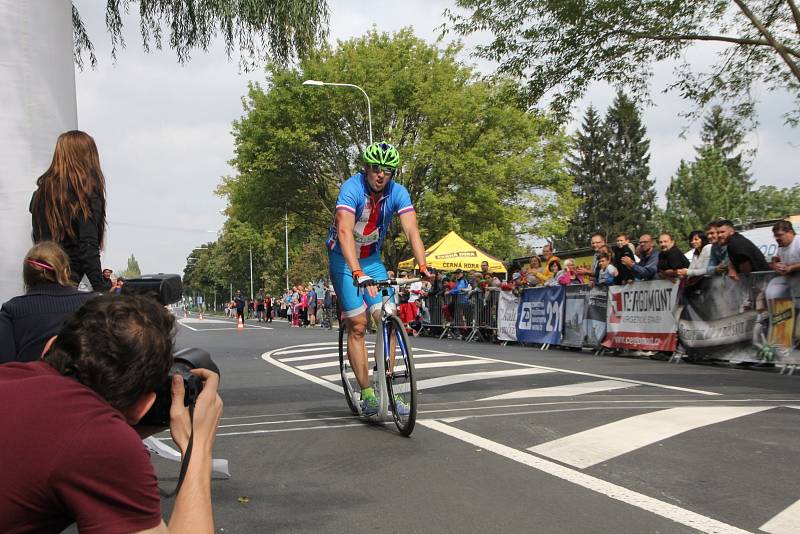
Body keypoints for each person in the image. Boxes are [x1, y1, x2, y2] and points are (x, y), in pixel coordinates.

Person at [0, 294, 223, 533]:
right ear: (143, 406)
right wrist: (197, 445)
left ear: (50, 345)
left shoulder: (10, 375)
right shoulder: (99, 439)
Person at [326, 141, 431, 416]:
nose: (380, 175)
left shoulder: (398, 192)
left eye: (387, 170)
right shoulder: (352, 189)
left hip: (372, 261)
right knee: (358, 325)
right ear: (366, 168)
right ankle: (368, 393)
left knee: (389, 315)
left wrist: (423, 265)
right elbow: (345, 232)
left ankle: (386, 384)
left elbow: (411, 230)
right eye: (375, 169)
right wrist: (356, 272)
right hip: (345, 260)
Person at [30, 131, 107, 291]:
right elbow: (87, 247)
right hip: (67, 281)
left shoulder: (40, 194)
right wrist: (102, 290)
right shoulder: (85, 194)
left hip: (39, 280)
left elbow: (38, 239)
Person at [0, 242, 97, 364]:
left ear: (26, 275)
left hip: (31, 381)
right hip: (80, 382)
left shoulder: (12, 310)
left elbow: (4, 366)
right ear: (66, 272)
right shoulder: (93, 304)